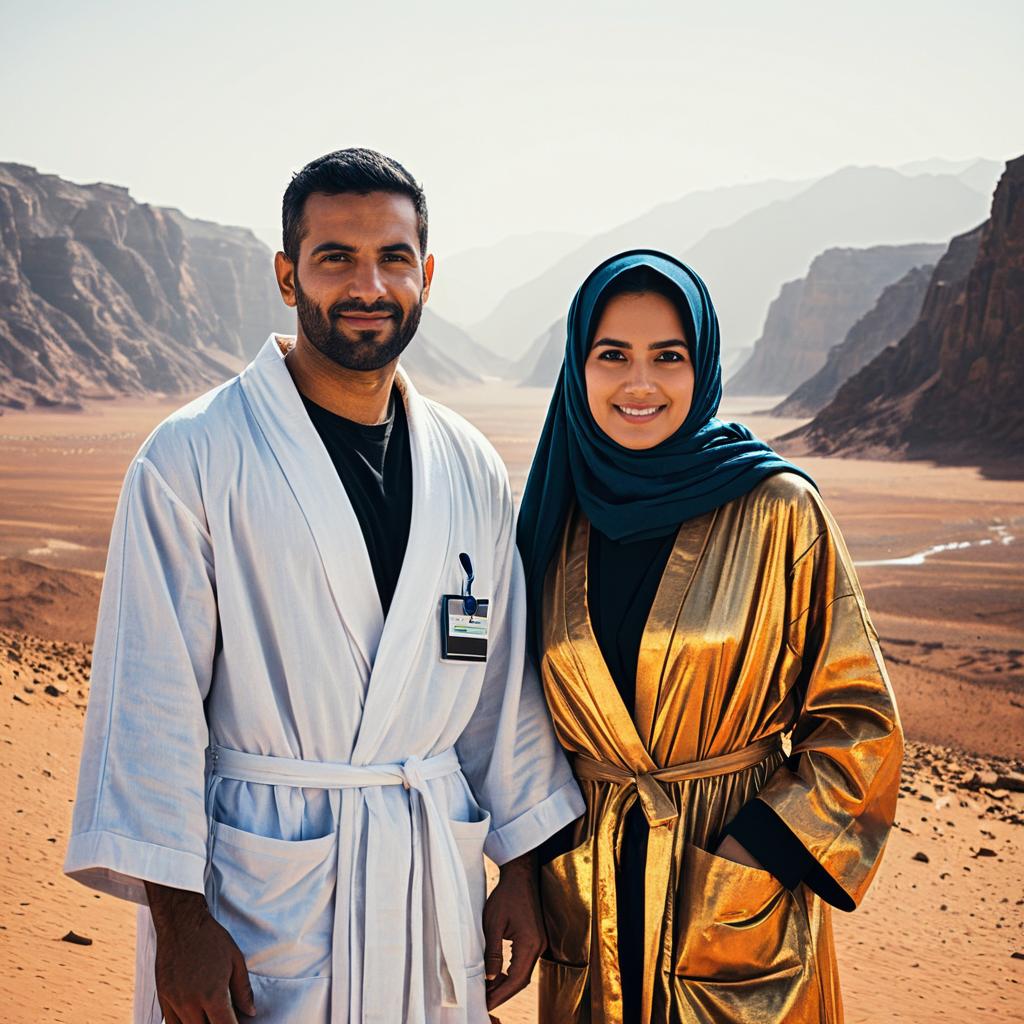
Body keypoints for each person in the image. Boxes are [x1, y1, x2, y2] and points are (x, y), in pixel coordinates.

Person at [64, 148, 584, 1024]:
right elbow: (150, 701)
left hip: (427, 881)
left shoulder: (469, 467)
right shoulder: (193, 456)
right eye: (336, 257)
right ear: (287, 275)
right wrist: (179, 919)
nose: (368, 286)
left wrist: (521, 870)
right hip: (262, 899)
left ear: (427, 276)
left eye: (393, 258)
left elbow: (500, 694)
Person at [517, 250, 904, 1024]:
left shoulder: (778, 509)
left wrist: (754, 853)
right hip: (591, 901)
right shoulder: (555, 518)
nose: (640, 383)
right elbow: (516, 718)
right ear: (577, 367)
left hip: (732, 897)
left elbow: (860, 721)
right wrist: (526, 870)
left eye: (669, 357)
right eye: (612, 355)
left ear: (703, 366)